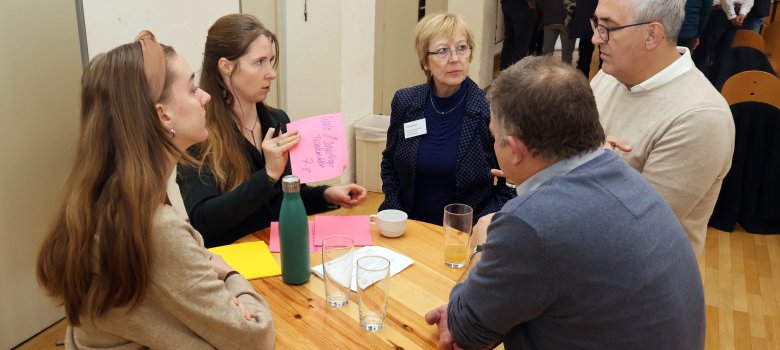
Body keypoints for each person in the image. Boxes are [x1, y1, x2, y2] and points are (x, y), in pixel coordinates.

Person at [425, 56, 705, 350]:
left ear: (517, 149)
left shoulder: (531, 224)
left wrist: (482, 246)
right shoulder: (623, 175)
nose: (494, 146)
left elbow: (466, 333)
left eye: (495, 137)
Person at [36, 31, 274, 348]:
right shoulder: (155, 229)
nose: (205, 96)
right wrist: (229, 275)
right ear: (163, 115)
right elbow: (255, 338)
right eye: (192, 89)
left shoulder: (105, 202)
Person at [177, 14, 367, 247]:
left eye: (271, 61)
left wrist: (326, 194)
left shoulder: (277, 120)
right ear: (226, 67)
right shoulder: (199, 135)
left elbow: (289, 197)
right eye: (259, 62)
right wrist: (267, 175)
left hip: (281, 253)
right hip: (235, 267)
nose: (271, 73)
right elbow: (205, 222)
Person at [590, 0, 735, 255]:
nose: (595, 38)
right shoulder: (609, 75)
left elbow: (636, 227)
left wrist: (587, 162)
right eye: (596, 24)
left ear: (651, 35)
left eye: (607, 28)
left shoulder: (701, 118)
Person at [379, 13, 515, 226]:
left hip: (463, 237)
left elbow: (511, 181)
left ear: (470, 54)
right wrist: (395, 210)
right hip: (408, 228)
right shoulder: (405, 102)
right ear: (425, 61)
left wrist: (480, 225)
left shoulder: (490, 111)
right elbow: (390, 164)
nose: (454, 58)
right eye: (442, 50)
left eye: (462, 47)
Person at [500, 1, 539, 69]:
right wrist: (532, 3)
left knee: (509, 41)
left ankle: (504, 75)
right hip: (523, 5)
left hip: (507, 3)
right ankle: (515, 76)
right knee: (522, 45)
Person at [540, 0, 577, 64]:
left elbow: (539, 3)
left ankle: (545, 73)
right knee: (567, 57)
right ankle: (567, 73)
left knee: (546, 55)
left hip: (549, 19)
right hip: (568, 21)